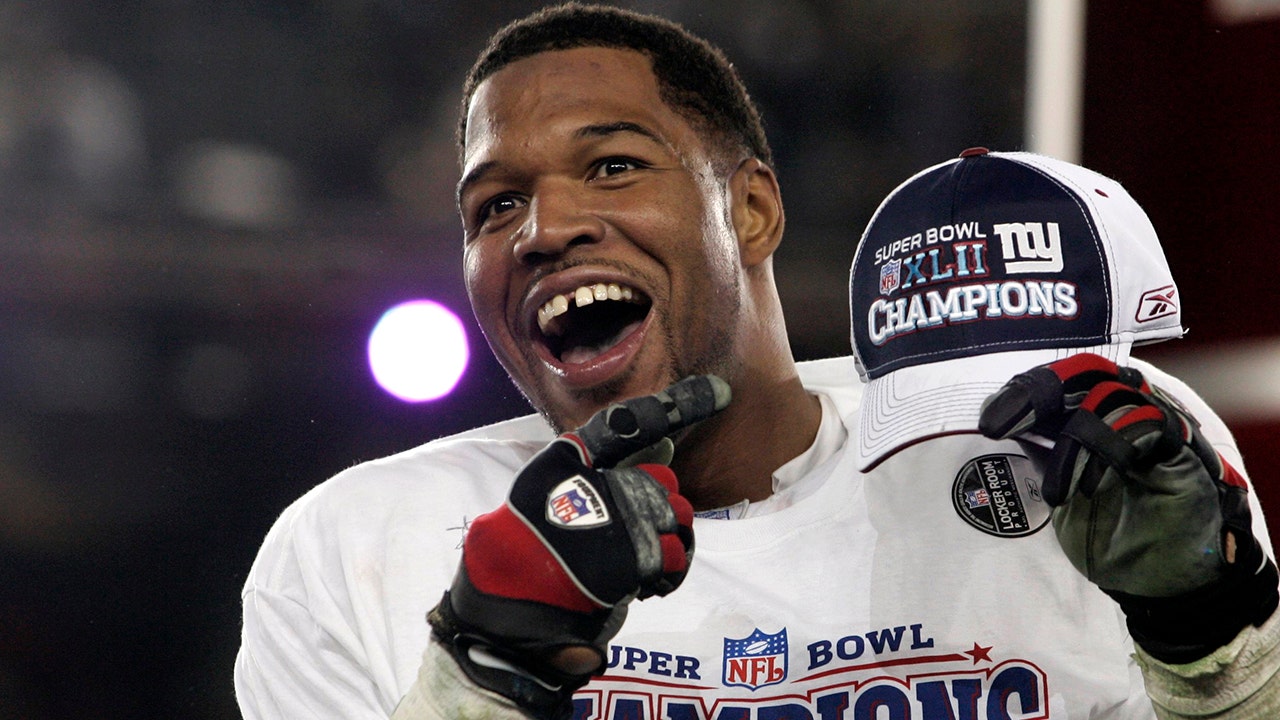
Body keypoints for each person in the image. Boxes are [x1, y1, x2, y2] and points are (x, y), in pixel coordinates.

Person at [234, 4, 1280, 718]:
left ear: (751, 207)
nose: (542, 229)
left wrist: (1209, 645)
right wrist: (478, 685)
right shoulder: (357, 549)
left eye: (611, 165)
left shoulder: (1063, 457)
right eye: (492, 206)